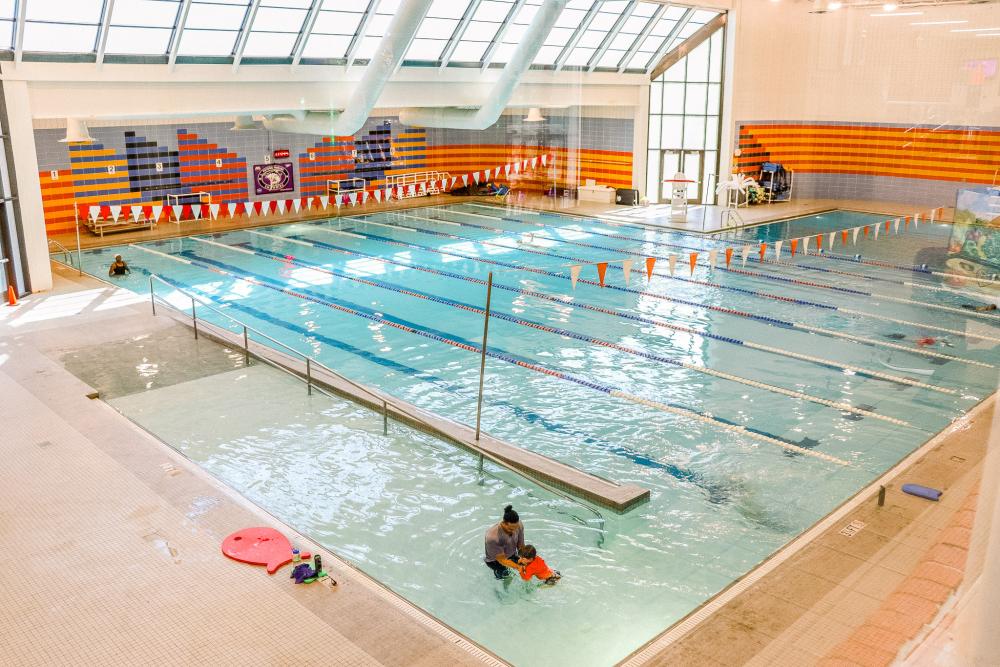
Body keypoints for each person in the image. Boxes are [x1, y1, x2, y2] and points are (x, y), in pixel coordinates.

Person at [484, 504, 524, 579]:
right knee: (507, 578)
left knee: (527, 566)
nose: (514, 531)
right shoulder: (492, 537)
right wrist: (518, 567)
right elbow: (502, 560)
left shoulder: (519, 525)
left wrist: (525, 559)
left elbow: (521, 546)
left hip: (511, 554)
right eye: (511, 529)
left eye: (516, 528)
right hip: (495, 561)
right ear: (503, 523)